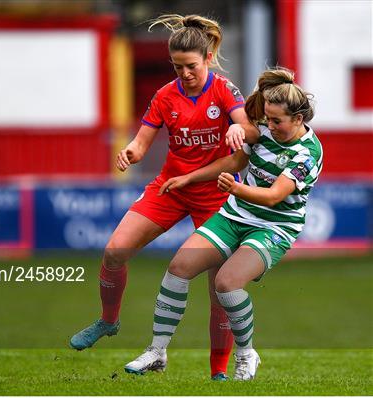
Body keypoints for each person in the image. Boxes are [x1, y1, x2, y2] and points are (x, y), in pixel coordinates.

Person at [69, 14, 253, 381]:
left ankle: (218, 371)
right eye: (177, 66)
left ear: (208, 58)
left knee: (220, 286)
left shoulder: (224, 91)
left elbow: (247, 127)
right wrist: (131, 152)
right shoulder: (165, 96)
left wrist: (238, 126)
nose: (184, 73)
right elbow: (142, 139)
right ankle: (108, 321)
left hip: (216, 193)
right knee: (114, 250)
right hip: (171, 186)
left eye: (191, 66)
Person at [124, 67, 323, 380]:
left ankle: (246, 354)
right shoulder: (264, 130)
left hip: (273, 227)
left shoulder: (307, 154)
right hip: (234, 216)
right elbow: (233, 162)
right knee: (178, 268)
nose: (269, 126)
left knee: (226, 284)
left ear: (298, 119)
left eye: (276, 121)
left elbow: (273, 197)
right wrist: (189, 177)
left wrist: (235, 188)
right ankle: (157, 352)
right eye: (267, 119)